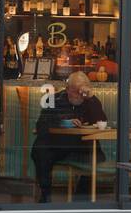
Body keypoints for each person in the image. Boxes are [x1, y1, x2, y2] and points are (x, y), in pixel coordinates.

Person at [30, 72, 108, 202]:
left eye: (82, 91)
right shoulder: (53, 99)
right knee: (40, 149)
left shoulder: (90, 101)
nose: (79, 94)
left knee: (95, 156)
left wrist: (91, 97)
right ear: (67, 89)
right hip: (59, 145)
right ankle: (45, 194)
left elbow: (101, 122)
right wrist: (64, 121)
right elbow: (41, 124)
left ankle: (80, 198)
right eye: (75, 91)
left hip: (81, 145)